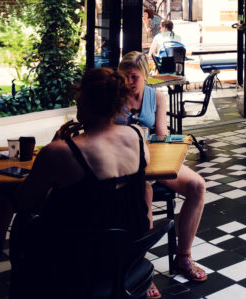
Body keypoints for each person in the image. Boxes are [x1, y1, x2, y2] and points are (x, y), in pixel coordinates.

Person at [13, 68, 151, 297]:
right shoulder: (137, 136)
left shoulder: (60, 151)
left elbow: (22, 201)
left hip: (78, 257)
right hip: (127, 251)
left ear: (84, 100)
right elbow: (113, 193)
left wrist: (55, 144)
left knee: (24, 225)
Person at [118, 52, 208, 292]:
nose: (129, 81)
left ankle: (183, 257)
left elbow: (160, 133)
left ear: (144, 76)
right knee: (143, 193)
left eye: (134, 76)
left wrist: (160, 141)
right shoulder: (113, 97)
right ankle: (140, 269)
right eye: (124, 76)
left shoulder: (156, 96)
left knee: (197, 186)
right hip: (122, 163)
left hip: (151, 160)